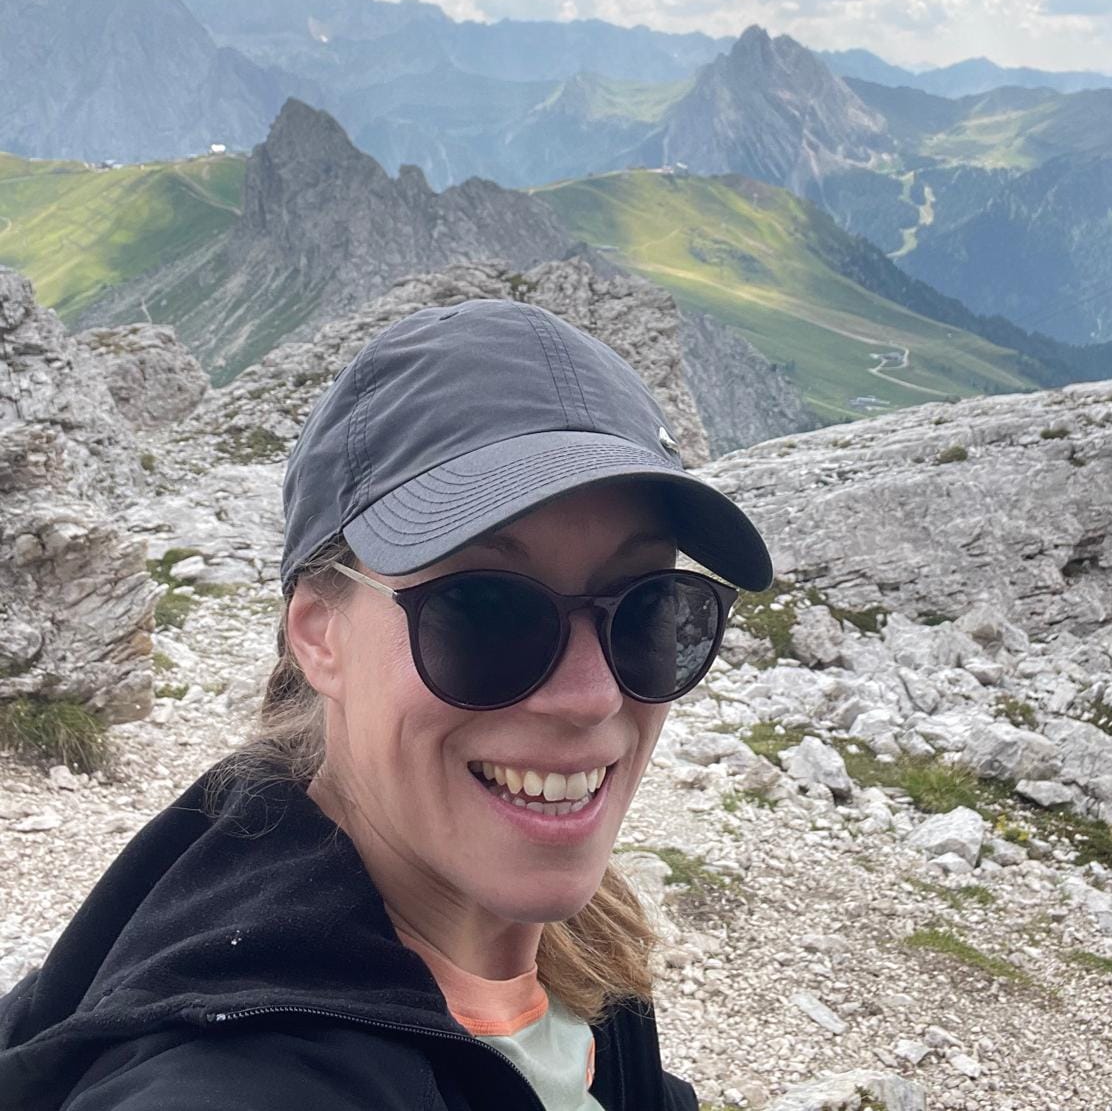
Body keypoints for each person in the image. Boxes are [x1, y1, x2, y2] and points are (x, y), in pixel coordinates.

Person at [0, 298, 774, 1111]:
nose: (591, 694)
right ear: (318, 633)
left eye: (649, 606)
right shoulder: (242, 1080)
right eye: (485, 610)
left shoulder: (573, 941)